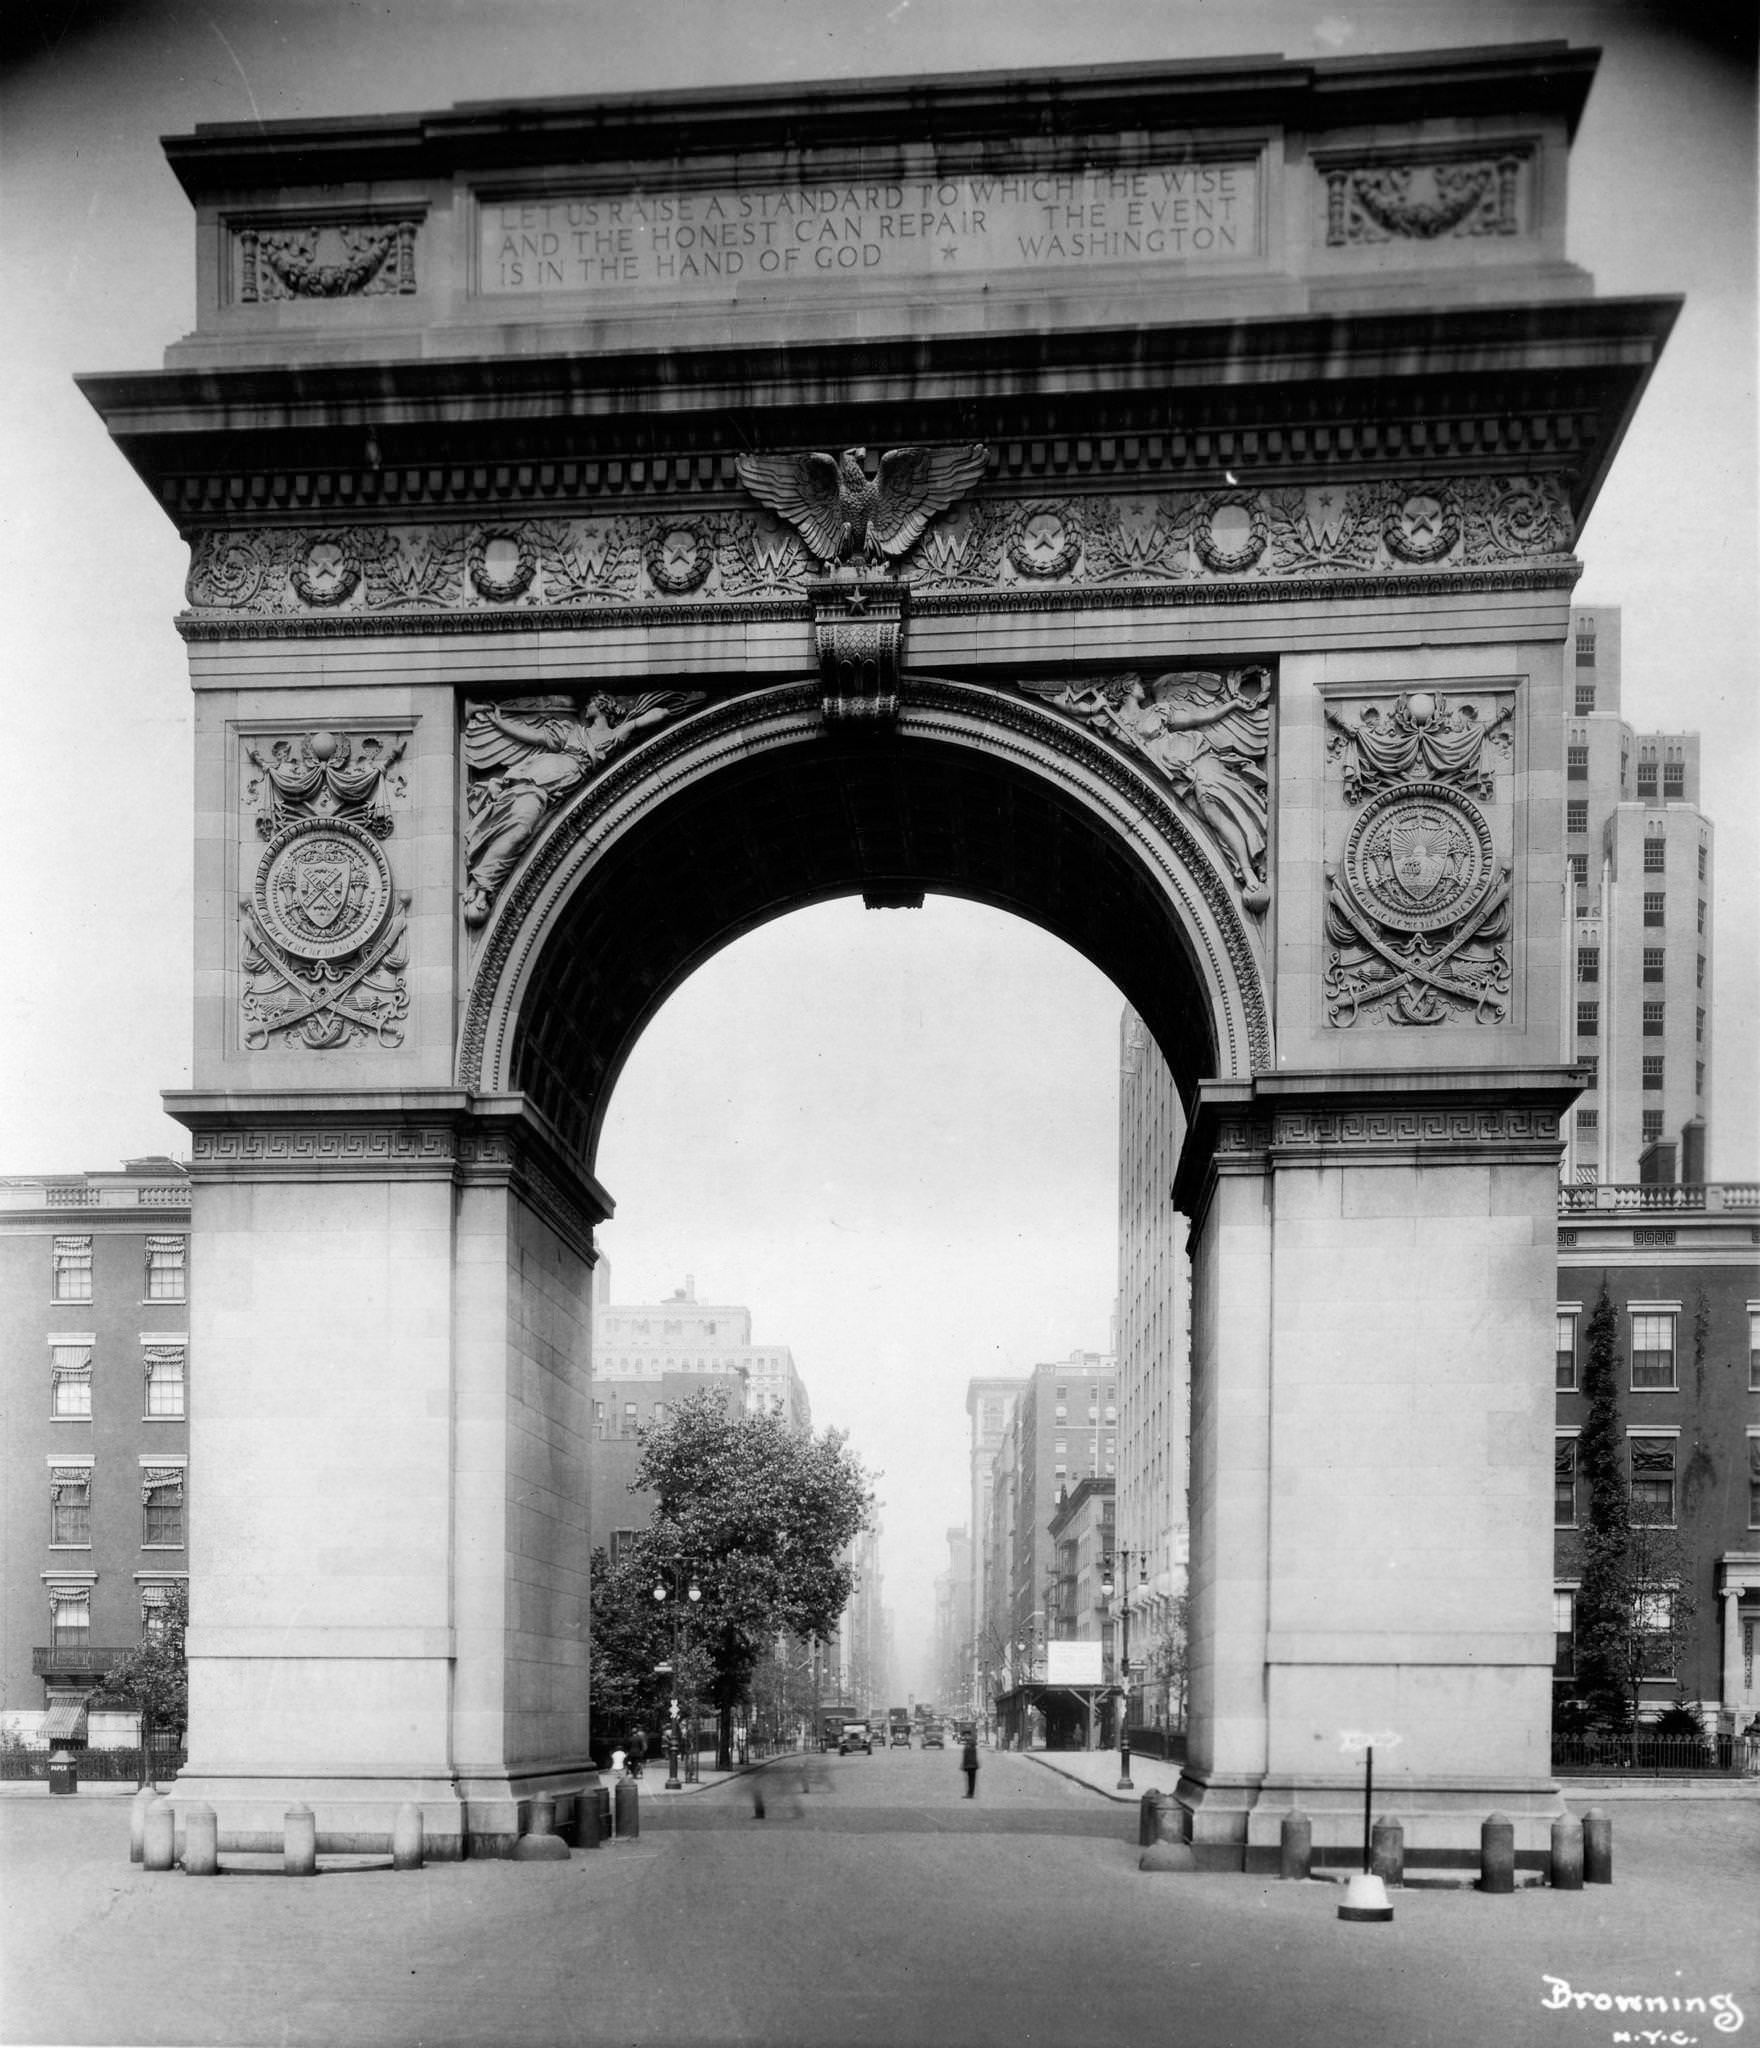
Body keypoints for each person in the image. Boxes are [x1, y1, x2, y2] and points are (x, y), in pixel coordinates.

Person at [960, 1728, 979, 1799]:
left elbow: (969, 1755)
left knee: (971, 1780)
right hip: (970, 1764)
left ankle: (970, 1794)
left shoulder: (970, 1743)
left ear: (968, 1735)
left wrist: (966, 1765)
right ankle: (969, 1793)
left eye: (965, 1736)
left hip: (971, 1765)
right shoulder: (969, 1742)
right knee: (970, 1780)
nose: (964, 1737)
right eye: (964, 1736)